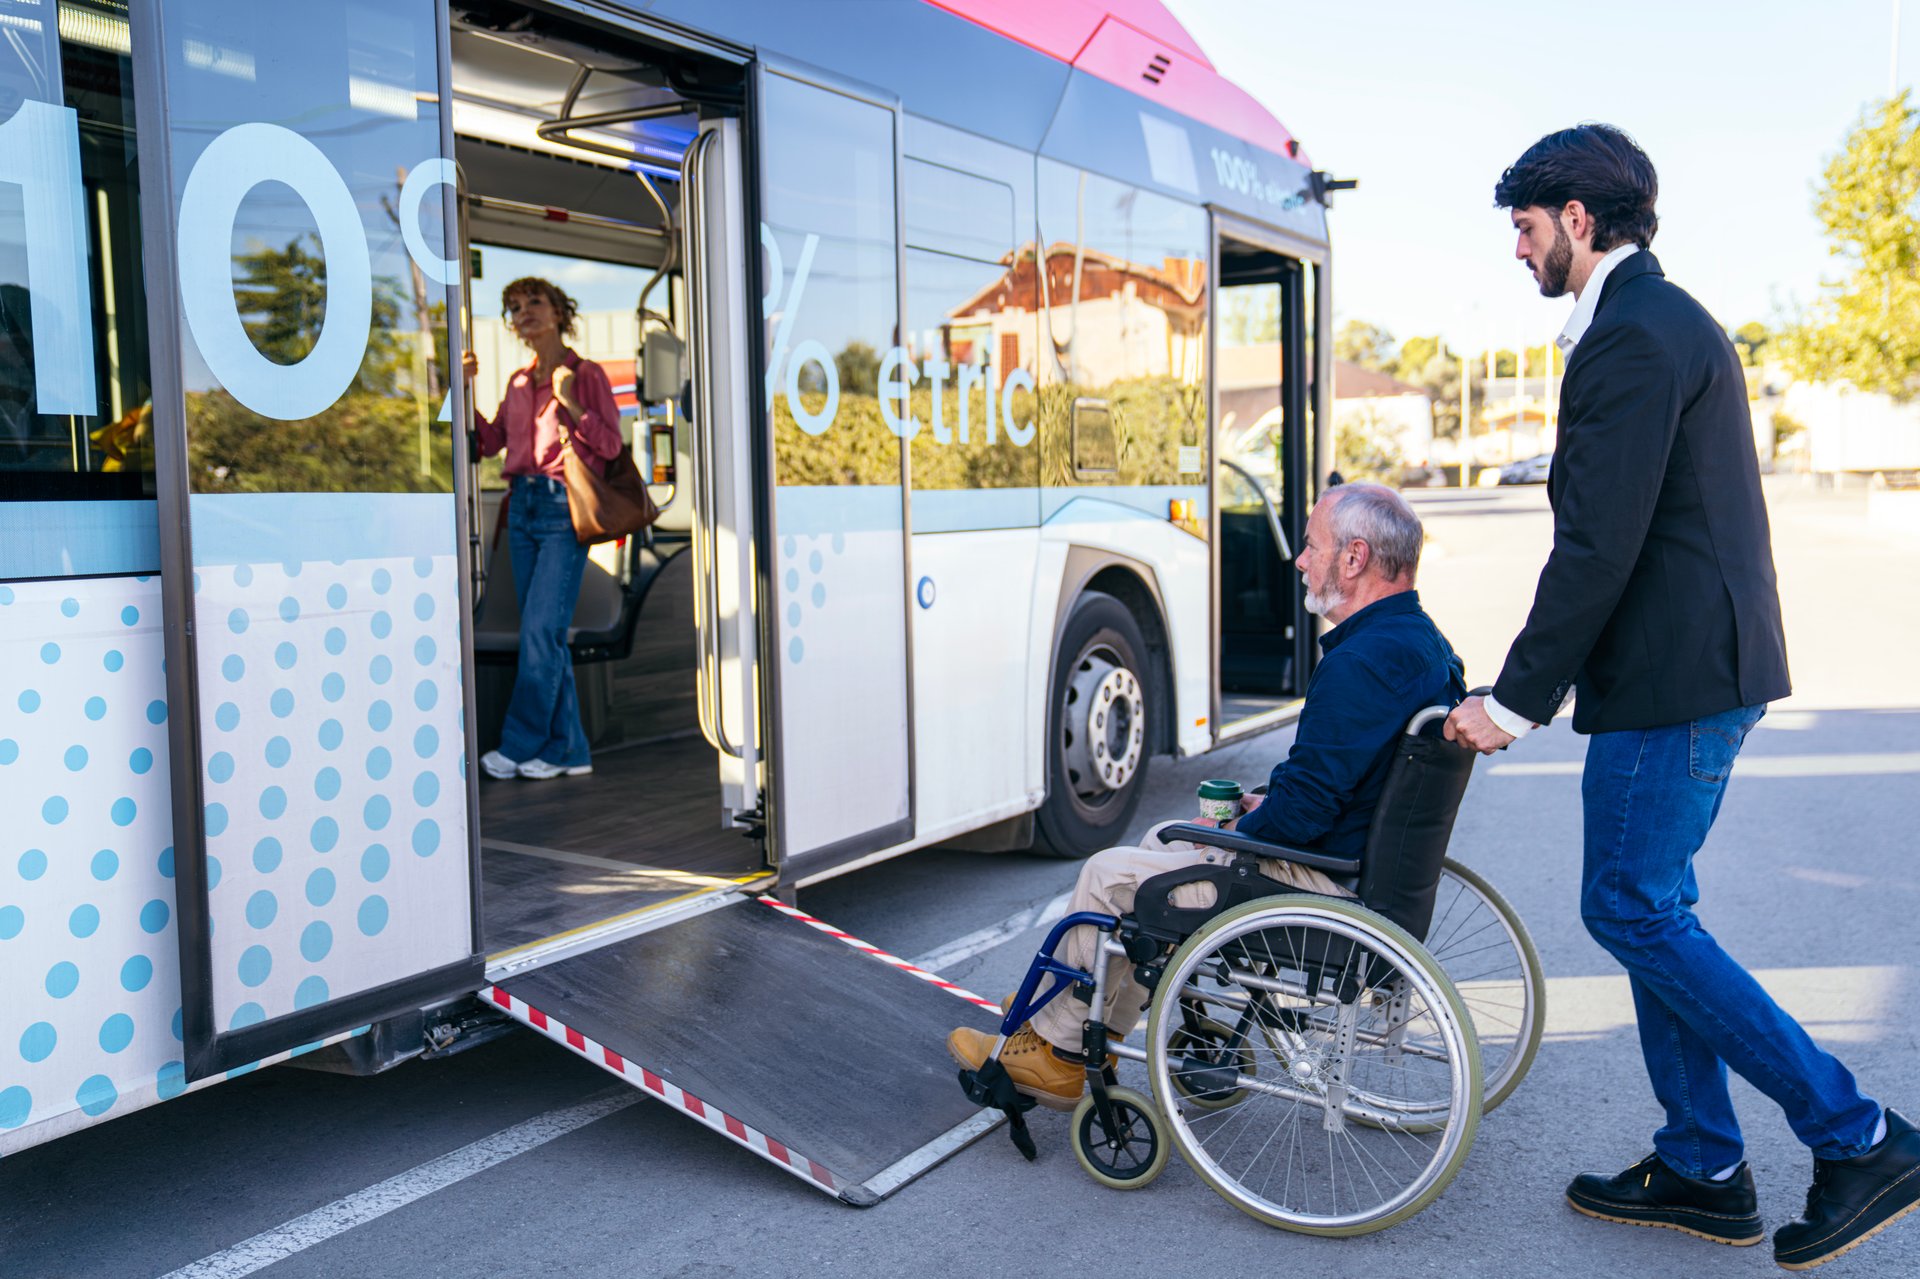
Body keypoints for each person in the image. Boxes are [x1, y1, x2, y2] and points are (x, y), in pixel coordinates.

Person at [1445, 124, 1918, 1271]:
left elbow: (1598, 545)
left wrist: (1512, 701)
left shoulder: (1636, 338)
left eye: (1524, 224)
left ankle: (1858, 1136)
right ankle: (1703, 1162)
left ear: (1580, 219)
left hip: (1677, 677)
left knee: (1632, 908)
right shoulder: (1651, 322)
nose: (1517, 247)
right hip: (1682, 670)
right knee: (1651, 905)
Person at [949, 482, 1466, 1109]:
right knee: (1153, 844)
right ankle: (1087, 1011)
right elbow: (1345, 778)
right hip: (1365, 872)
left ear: (1353, 558)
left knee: (1108, 873)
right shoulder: (1427, 645)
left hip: (1320, 885)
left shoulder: (1358, 662)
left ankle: (1057, 1051)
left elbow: (1304, 812)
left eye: (1311, 546)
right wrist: (1257, 806)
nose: (1300, 560)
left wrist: (1232, 834)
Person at [465, 277, 625, 782]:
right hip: (522, 511)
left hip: (562, 510)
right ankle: (570, 750)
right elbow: (487, 444)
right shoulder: (515, 382)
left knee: (539, 631)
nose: (523, 312)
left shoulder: (586, 374)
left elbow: (612, 447)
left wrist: (570, 402)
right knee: (547, 636)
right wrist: (460, 384)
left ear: (559, 312)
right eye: (514, 307)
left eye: (534, 302)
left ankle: (519, 743)